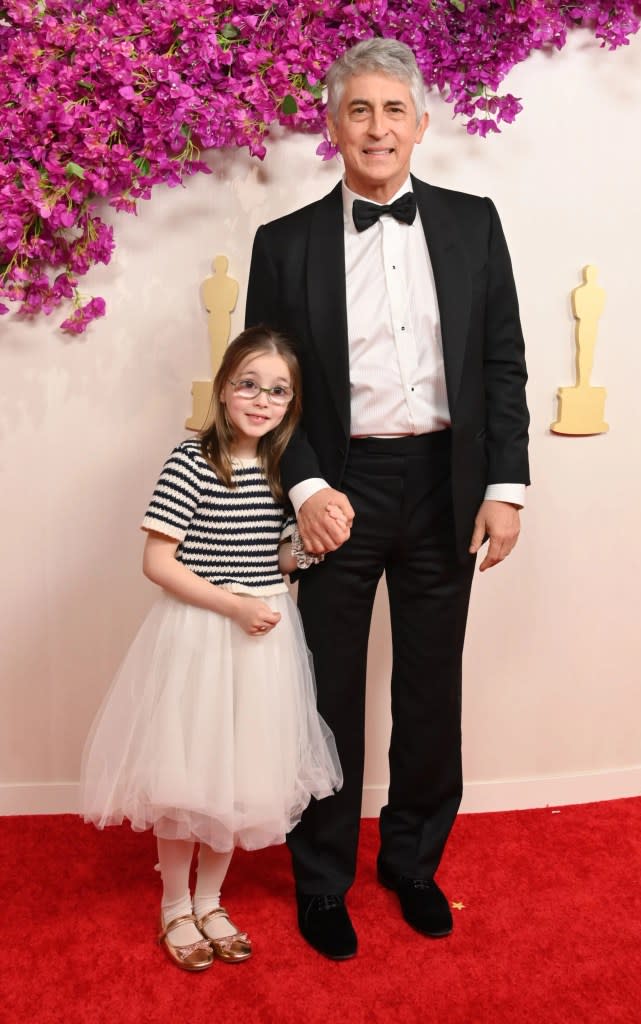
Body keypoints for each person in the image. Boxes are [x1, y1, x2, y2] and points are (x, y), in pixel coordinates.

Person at [245, 38, 530, 960]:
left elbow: (500, 364)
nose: (376, 127)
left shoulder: (473, 222)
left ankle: (411, 864)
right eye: (357, 110)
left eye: (392, 109)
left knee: (429, 688)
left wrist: (505, 487)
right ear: (331, 127)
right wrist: (308, 486)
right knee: (324, 695)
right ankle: (321, 882)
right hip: (340, 486)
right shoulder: (281, 243)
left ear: (420, 123)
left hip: (449, 484)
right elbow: (266, 384)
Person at [80, 326, 342, 971]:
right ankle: (176, 907)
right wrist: (235, 606)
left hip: (263, 641)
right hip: (203, 633)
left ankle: (211, 899)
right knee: (188, 773)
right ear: (224, 388)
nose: (261, 399)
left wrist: (315, 541)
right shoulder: (192, 459)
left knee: (241, 773)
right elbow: (157, 562)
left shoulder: (286, 471)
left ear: (291, 404)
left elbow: (280, 559)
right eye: (249, 384)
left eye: (277, 391)